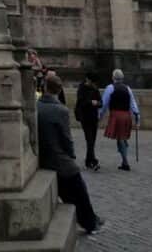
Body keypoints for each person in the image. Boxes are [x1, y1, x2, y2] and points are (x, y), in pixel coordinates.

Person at [37, 74, 105, 237]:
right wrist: (71, 156)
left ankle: (92, 217)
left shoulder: (36, 106)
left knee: (73, 188)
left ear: (45, 88)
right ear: (60, 90)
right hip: (58, 160)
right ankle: (90, 223)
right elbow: (67, 140)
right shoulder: (60, 110)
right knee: (79, 188)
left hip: (44, 157)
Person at [100, 68, 140, 170]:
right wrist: (137, 116)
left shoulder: (110, 88)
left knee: (121, 139)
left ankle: (125, 162)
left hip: (116, 116)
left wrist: (99, 115)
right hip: (126, 115)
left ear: (113, 77)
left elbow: (104, 104)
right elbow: (133, 103)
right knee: (122, 138)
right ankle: (124, 160)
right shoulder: (128, 88)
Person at [75, 71, 102, 170]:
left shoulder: (95, 89)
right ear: (88, 80)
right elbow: (81, 102)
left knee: (92, 141)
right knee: (89, 140)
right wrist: (91, 102)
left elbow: (100, 102)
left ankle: (88, 160)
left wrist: (97, 103)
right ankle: (93, 161)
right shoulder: (81, 88)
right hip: (85, 117)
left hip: (94, 117)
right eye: (93, 81)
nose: (94, 84)